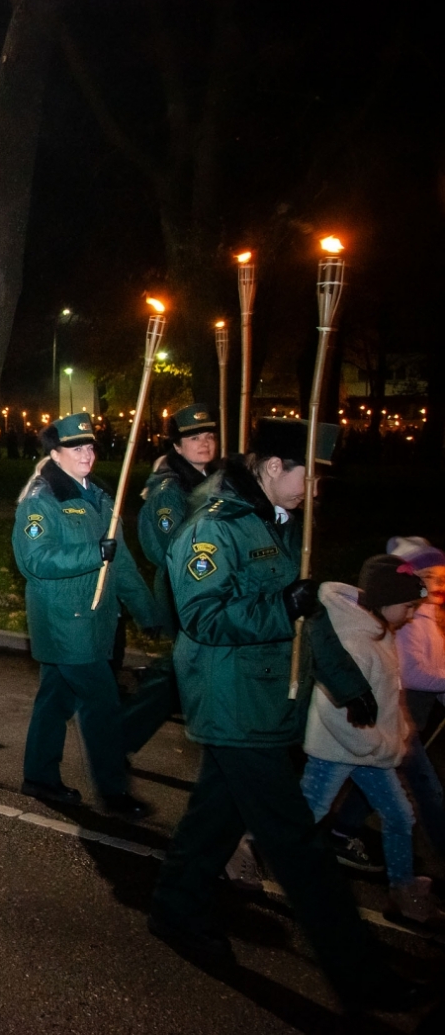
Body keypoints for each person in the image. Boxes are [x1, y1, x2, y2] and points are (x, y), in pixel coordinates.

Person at [147, 418, 428, 1014]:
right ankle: (360, 975)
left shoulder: (277, 524)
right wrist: (281, 606)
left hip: (266, 702)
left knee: (216, 819)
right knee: (299, 845)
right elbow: (203, 616)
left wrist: (346, 683)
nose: (314, 488)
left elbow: (308, 619)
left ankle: (175, 906)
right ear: (273, 467)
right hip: (232, 701)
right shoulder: (214, 529)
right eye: (308, 474)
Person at [11, 412, 161, 819]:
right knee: (102, 704)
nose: (87, 454)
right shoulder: (41, 501)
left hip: (94, 620)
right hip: (65, 621)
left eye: (91, 446)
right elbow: (35, 560)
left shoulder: (99, 497)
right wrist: (92, 554)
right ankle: (114, 792)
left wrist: (146, 611)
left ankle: (39, 776)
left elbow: (122, 561)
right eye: (77, 447)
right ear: (55, 454)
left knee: (55, 699)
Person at [300, 556, 443, 928]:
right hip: (340, 750)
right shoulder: (354, 640)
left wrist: (398, 729)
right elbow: (336, 710)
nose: (412, 614)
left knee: (399, 815)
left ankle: (402, 891)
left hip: (368, 751)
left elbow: (382, 695)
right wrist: (380, 744)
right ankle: (246, 847)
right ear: (384, 600)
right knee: (304, 814)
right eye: (409, 606)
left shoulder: (379, 631)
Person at [328, 536, 445, 873]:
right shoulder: (409, 619)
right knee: (427, 793)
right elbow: (411, 673)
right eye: (431, 578)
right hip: (399, 720)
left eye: (441, 578)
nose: (438, 585)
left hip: (406, 723)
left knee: (373, 780)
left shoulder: (426, 617)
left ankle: (339, 832)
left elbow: (433, 669)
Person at [126, 403, 220, 752]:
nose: (204, 443)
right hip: (183, 588)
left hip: (205, 587)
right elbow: (176, 545)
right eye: (194, 438)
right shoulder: (171, 490)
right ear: (177, 446)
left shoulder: (212, 481)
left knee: (186, 667)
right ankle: (120, 735)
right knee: (181, 668)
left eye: (209, 435)